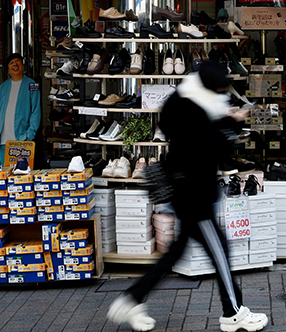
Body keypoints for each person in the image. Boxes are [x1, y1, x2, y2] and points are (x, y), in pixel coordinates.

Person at [107, 60, 268, 332]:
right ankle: (234, 313)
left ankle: (130, 300)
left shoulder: (182, 99)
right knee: (220, 253)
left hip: (184, 190)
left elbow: (187, 135)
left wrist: (222, 122)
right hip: (196, 196)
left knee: (176, 253)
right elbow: (216, 148)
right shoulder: (199, 111)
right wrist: (233, 122)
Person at [0, 53, 41, 162]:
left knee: (21, 175)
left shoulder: (32, 85)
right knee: (2, 175)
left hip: (22, 140)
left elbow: (36, 111)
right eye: (11, 63)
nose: (15, 64)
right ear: (8, 70)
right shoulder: (2, 87)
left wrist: (29, 136)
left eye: (18, 61)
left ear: (22, 66)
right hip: (1, 141)